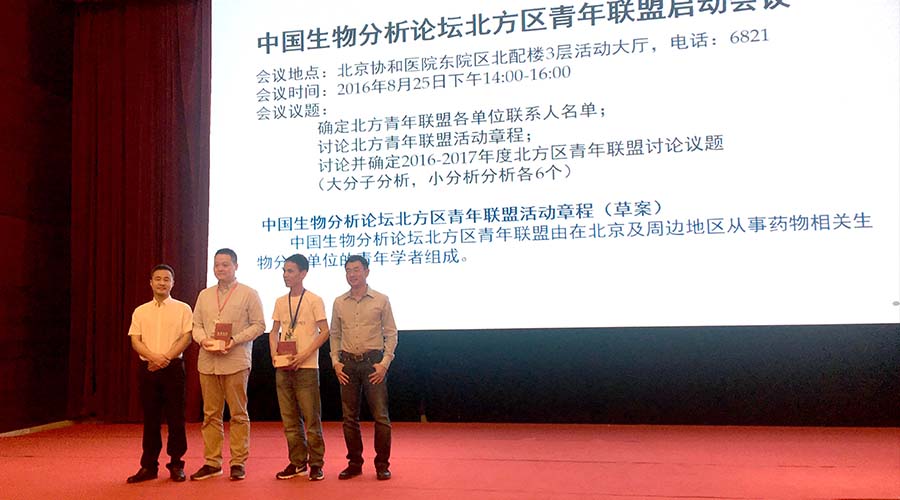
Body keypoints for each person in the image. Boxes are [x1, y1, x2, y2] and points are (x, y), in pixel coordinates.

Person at [190, 248, 265, 481]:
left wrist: (234, 340)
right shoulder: (204, 295)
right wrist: (204, 340)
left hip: (235, 360)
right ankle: (212, 462)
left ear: (235, 266)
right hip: (208, 361)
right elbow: (196, 325)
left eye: (225, 264)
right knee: (210, 414)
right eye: (217, 265)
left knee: (238, 414)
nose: (220, 269)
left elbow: (259, 325)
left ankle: (238, 462)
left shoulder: (249, 293)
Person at [330, 255, 398, 481]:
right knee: (349, 418)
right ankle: (354, 463)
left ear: (367, 272)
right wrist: (335, 361)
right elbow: (335, 334)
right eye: (348, 270)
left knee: (381, 416)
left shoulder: (381, 299)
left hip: (373, 363)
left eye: (356, 269)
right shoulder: (339, 302)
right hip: (347, 364)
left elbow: (391, 334)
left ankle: (382, 465)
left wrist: (384, 363)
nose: (352, 274)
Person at [126, 264, 193, 484]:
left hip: (173, 368)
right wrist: (154, 358)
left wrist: (165, 359)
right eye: (158, 279)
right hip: (148, 369)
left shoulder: (183, 308)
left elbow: (186, 338)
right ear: (151, 283)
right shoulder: (140, 311)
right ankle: (149, 466)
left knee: (176, 418)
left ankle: (176, 463)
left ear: (173, 283)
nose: (162, 283)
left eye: (166, 279)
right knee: (151, 419)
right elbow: (135, 340)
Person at [270, 254, 330, 481]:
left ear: (303, 273)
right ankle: (297, 463)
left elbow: (325, 331)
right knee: (289, 419)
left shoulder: (314, 300)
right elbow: (274, 331)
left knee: (311, 419)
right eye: (284, 271)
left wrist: (304, 354)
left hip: (306, 367)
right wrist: (274, 354)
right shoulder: (280, 301)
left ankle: (316, 464)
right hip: (283, 366)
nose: (286, 275)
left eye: (291, 271)